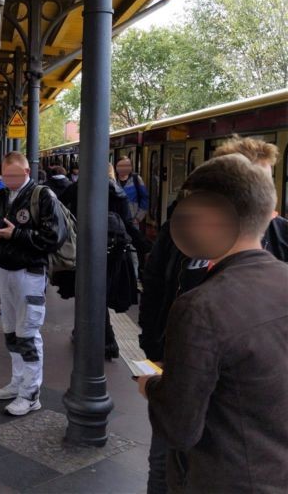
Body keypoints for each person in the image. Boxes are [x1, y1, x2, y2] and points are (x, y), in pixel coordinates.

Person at [139, 135, 288, 494]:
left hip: (230, 453)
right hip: (187, 372)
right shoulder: (185, 233)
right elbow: (157, 281)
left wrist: (152, 388)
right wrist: (153, 349)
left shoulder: (202, 307)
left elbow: (179, 426)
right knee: (161, 464)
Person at [0, 152, 66, 415]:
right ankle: (17, 382)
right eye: (6, 174)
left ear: (27, 172)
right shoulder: (0, 196)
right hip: (5, 270)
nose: (9, 180)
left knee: (28, 333)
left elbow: (54, 237)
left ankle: (30, 393)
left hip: (30, 273)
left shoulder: (42, 196)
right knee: (11, 331)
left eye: (15, 175)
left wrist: (16, 234)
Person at [58, 163, 141, 360]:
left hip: (83, 248)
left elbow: (61, 213)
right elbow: (127, 223)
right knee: (101, 293)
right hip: (114, 250)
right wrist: (143, 246)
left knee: (87, 291)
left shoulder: (76, 188)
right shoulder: (118, 193)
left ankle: (104, 340)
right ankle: (97, 337)